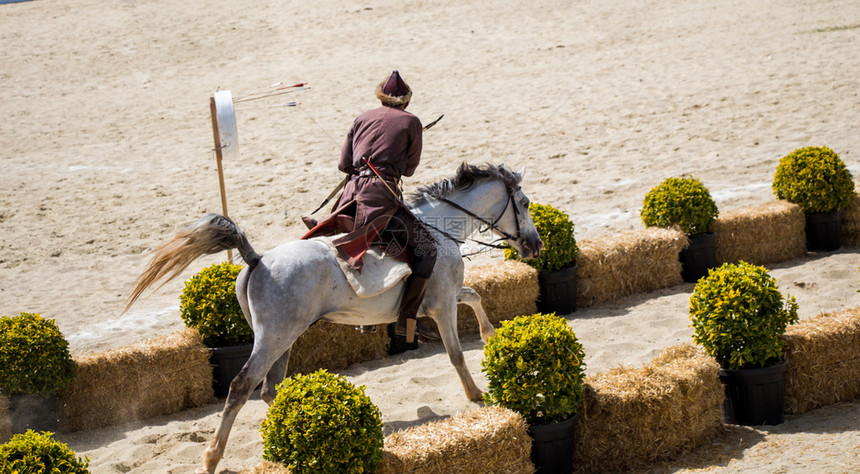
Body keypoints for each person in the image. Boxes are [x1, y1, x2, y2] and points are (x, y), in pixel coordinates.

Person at [303, 71, 438, 345]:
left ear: (380, 98)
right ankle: (407, 322)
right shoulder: (412, 121)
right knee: (427, 250)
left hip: (351, 196)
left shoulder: (362, 117)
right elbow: (409, 171)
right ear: (407, 102)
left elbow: (344, 164)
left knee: (378, 242)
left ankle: (369, 320)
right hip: (381, 197)